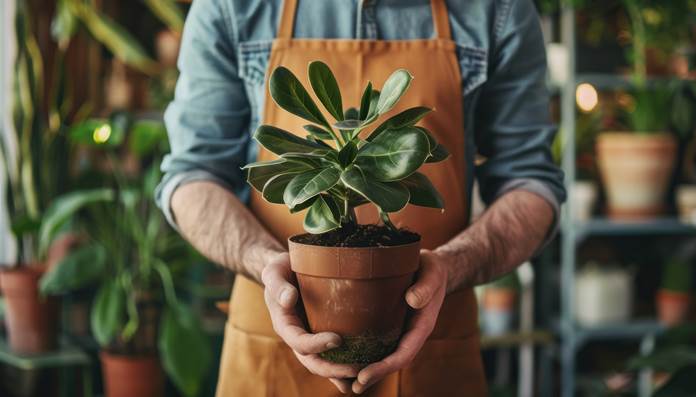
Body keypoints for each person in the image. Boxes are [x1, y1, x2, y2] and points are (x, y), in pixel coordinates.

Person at [156, 0, 565, 395]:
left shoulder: (498, 8)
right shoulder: (230, 6)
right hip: (271, 355)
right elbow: (193, 176)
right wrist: (262, 263)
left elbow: (531, 182)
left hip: (433, 347)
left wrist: (454, 265)